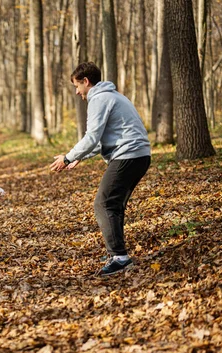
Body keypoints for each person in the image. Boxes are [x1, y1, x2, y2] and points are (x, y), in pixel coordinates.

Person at [49, 62, 151, 277]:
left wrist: (67, 158)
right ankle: (117, 254)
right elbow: (101, 139)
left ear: (86, 82)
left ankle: (120, 257)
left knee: (103, 203)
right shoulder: (113, 96)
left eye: (77, 86)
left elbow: (92, 136)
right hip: (139, 156)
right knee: (114, 204)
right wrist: (80, 157)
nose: (77, 92)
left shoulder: (100, 98)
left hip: (128, 155)